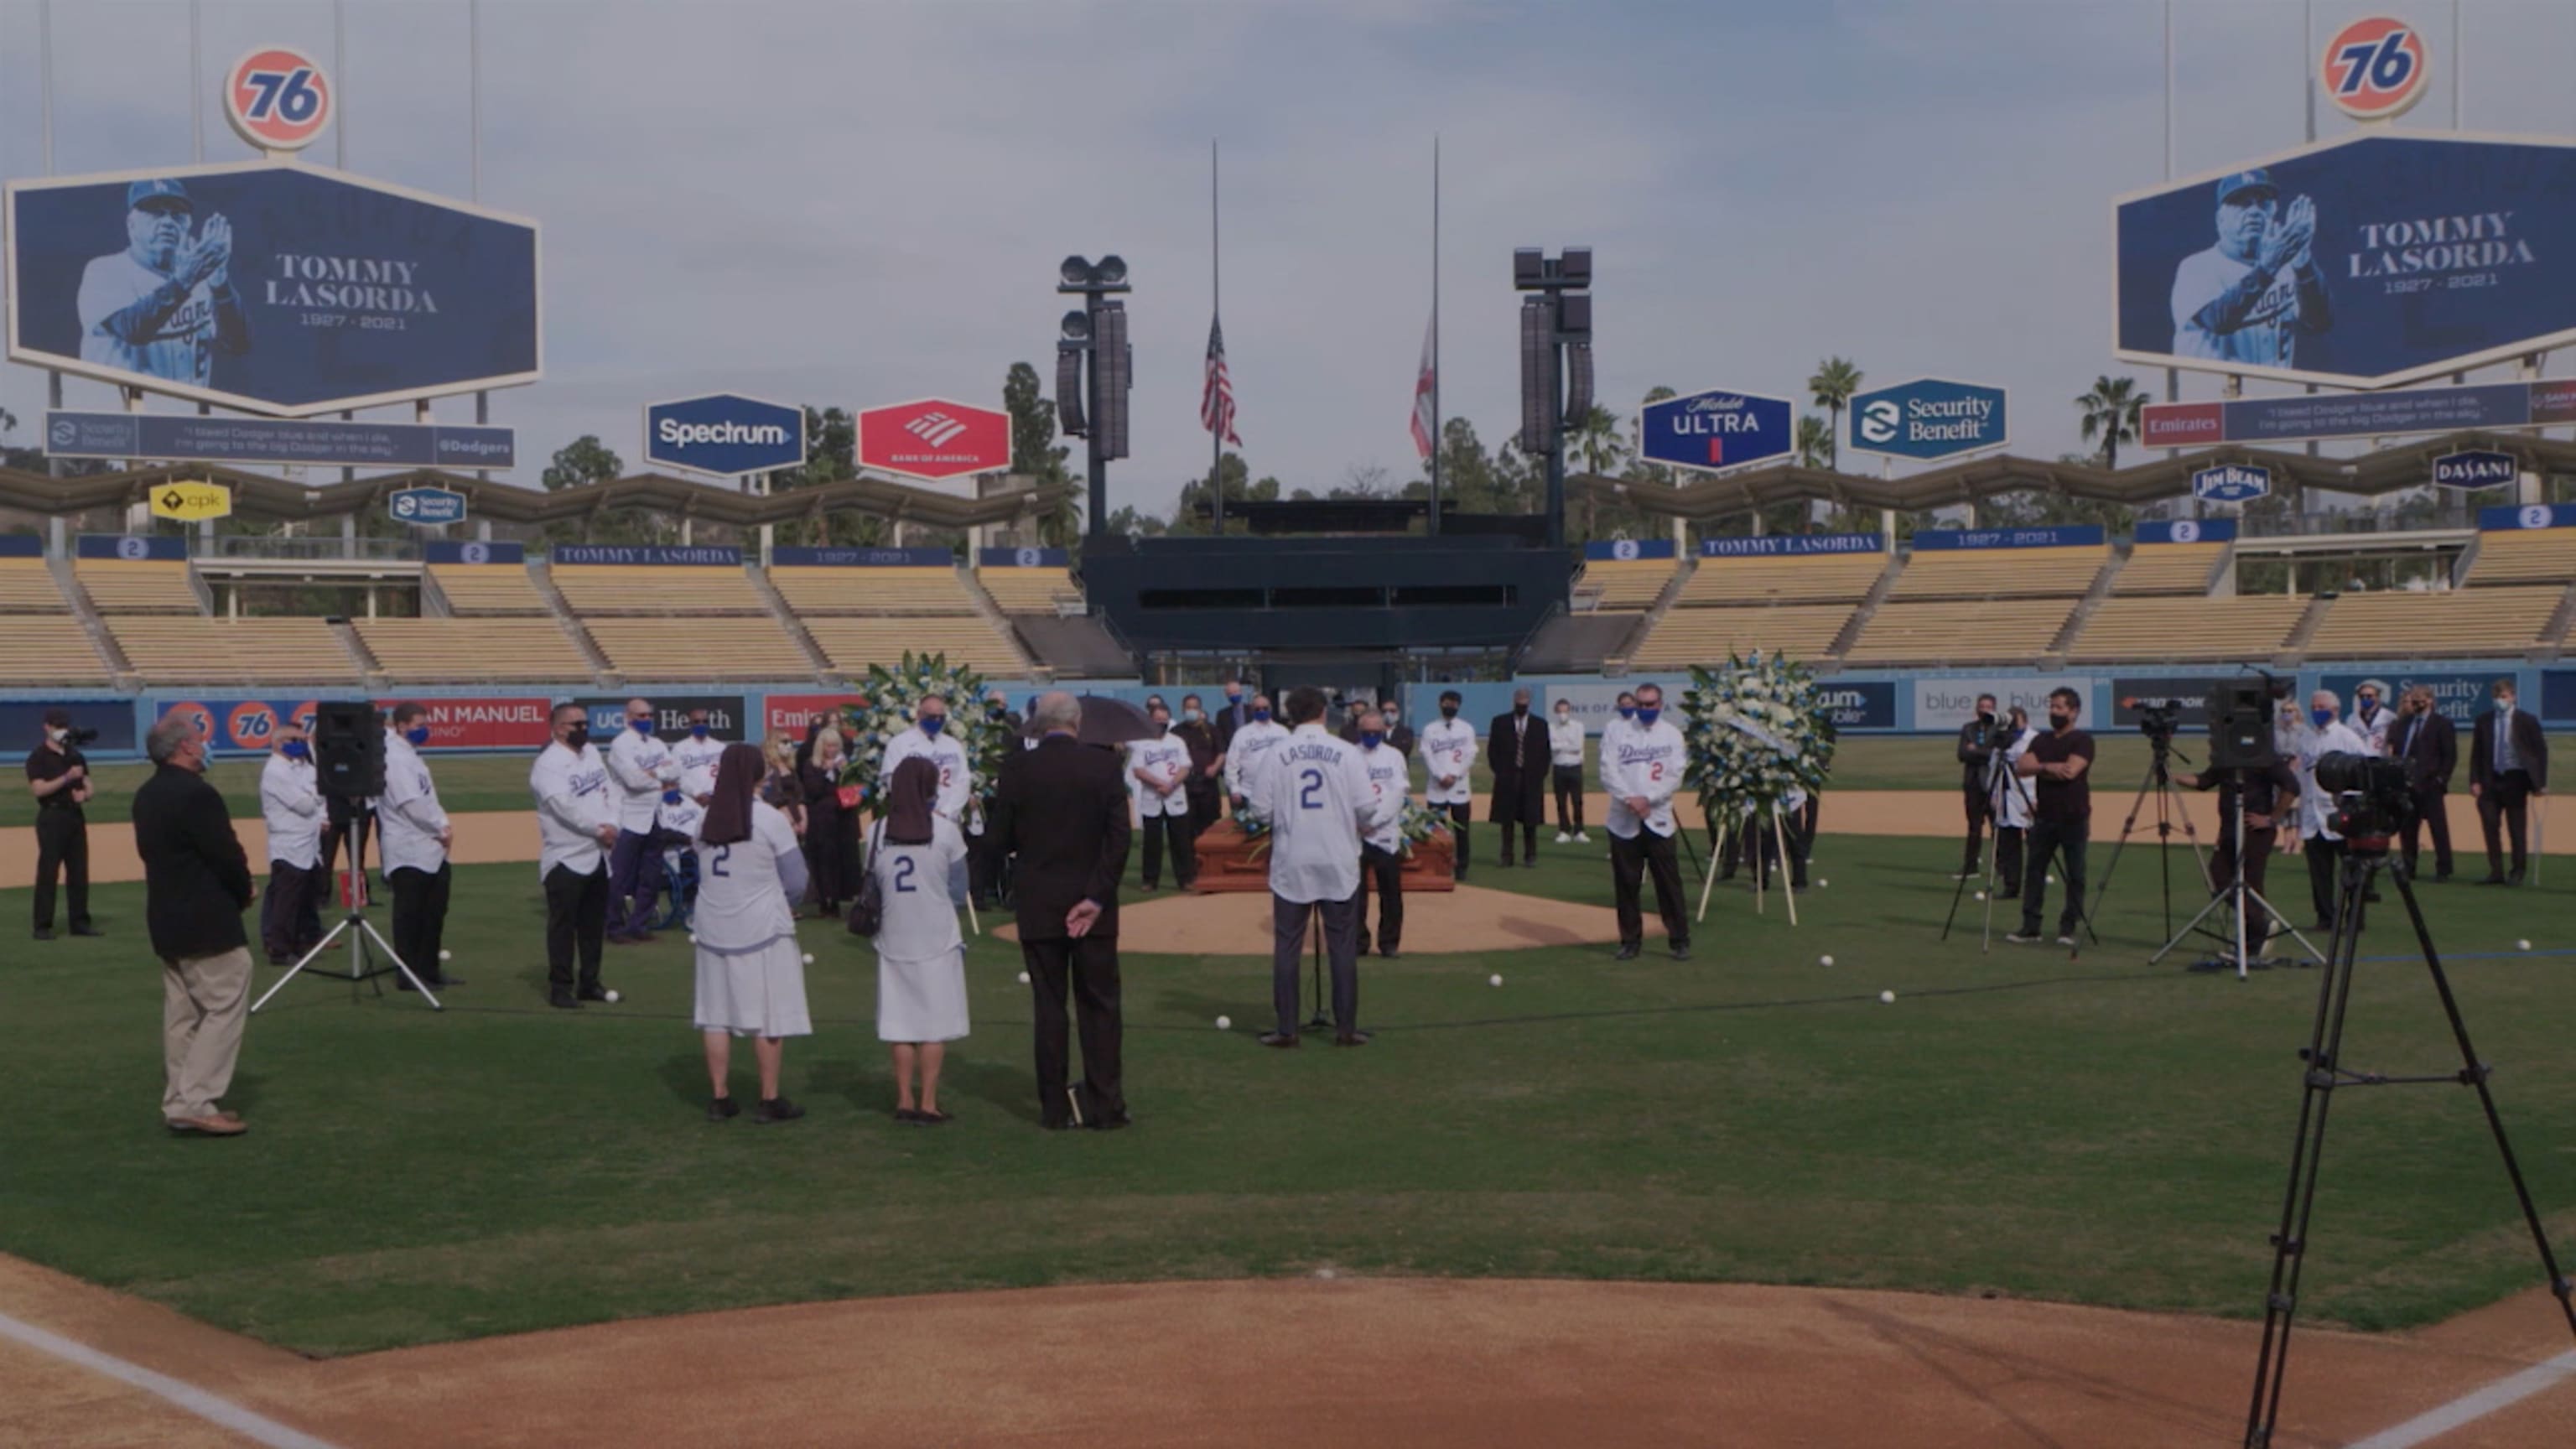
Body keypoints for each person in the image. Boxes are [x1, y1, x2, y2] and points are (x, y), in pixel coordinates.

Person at [988, 692, 1132, 1130]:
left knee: (1049, 1006)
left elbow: (998, 840)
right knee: (1100, 1006)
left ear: (1037, 724)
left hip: (1040, 901)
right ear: (1078, 722)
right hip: (1093, 905)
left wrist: (1028, 855)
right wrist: (1096, 897)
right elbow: (1119, 838)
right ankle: (1106, 1106)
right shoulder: (1105, 766)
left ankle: (1054, 1109)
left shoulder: (1016, 769)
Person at [132, 712, 256, 1136]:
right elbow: (225, 853)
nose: (204, 745)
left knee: (182, 1013)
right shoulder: (197, 794)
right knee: (224, 1002)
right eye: (199, 739)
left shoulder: (146, 794)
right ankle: (198, 1099)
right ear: (184, 746)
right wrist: (244, 892)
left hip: (166, 916)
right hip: (205, 916)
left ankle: (180, 1099)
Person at [1248, 688, 1392, 1047]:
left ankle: (1287, 1029)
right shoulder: (1346, 752)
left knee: (1288, 946)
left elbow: (1259, 810)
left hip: (1292, 858)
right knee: (1342, 945)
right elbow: (1367, 808)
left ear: (1290, 715)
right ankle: (1345, 1028)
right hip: (1338, 858)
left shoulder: (1276, 752)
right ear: (1324, 713)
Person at [690, 742, 810, 1124]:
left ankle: (719, 1097)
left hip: (713, 925)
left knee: (715, 1015)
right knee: (768, 1015)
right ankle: (769, 1098)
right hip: (761, 926)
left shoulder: (705, 817)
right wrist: (785, 902)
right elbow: (797, 880)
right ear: (759, 774)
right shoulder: (770, 819)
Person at [870, 756, 970, 1124]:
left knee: (900, 1024)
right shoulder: (945, 832)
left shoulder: (878, 831)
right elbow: (959, 890)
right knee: (933, 1026)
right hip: (937, 937)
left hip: (893, 936)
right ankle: (928, 1103)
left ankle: (903, 1100)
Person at [78, 179, 249, 387]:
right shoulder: (105, 270)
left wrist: (220, 282)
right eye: (155, 213)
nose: (168, 222)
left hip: (186, 413)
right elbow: (133, 329)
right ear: (131, 224)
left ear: (188, 224)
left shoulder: (199, 275)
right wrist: (185, 281)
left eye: (177, 214)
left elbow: (237, 344)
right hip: (118, 411)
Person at [2168, 169, 2330, 367]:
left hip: (2272, 392)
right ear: (2220, 220)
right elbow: (2219, 321)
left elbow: (2319, 323)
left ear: (2273, 211)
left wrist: (2303, 263)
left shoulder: (2286, 265)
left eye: (2263, 203)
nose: (2254, 211)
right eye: (2241, 203)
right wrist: (2270, 266)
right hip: (2208, 392)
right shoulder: (2196, 267)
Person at [531, 702, 620, 1010]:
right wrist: (599, 829)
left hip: (597, 855)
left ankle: (590, 982)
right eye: (575, 725)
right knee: (563, 927)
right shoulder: (549, 764)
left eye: (585, 724)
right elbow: (563, 807)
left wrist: (613, 824)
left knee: (593, 926)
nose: (583, 729)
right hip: (565, 856)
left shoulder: (592, 754)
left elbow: (610, 791)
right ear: (557, 728)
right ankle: (560, 987)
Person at [2174, 755, 2301, 955]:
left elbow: (2292, 787)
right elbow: (2204, 781)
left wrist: (2272, 819)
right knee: (2218, 877)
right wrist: (2173, 777)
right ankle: (2258, 928)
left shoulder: (2264, 758)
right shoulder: (2226, 759)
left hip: (2255, 831)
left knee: (2251, 884)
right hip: (2229, 831)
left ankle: (2253, 938)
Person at [1601, 683, 1689, 961]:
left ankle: (1679, 939)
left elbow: (1675, 775)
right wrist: (1630, 799)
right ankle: (1630, 940)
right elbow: (1607, 770)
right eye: (1641, 704)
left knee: (1668, 883)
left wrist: (1647, 799)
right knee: (1627, 884)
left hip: (1658, 818)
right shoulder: (1618, 732)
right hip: (1623, 819)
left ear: (1660, 705)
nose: (1645, 709)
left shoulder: (1672, 735)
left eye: (1650, 704)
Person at [2007, 688, 2096, 947]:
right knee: (2034, 872)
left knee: (2075, 874)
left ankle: (2068, 927)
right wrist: (2048, 767)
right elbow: (2022, 768)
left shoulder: (2082, 741)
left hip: (2073, 816)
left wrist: (2042, 768)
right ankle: (2030, 925)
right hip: (2044, 816)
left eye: (2059, 707)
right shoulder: (2041, 741)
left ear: (2073, 711)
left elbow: (2070, 771)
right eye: (2052, 707)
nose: (2054, 712)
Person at [378, 703, 458, 989]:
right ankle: (409, 974)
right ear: (400, 725)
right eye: (418, 724)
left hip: (430, 847)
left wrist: (441, 827)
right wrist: (439, 828)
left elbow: (427, 798)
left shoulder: (410, 755)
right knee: (410, 915)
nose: (424, 729)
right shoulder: (395, 757)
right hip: (409, 846)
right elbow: (410, 803)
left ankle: (429, 969)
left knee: (434, 912)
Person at [2288, 689, 2371, 930]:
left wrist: (2349, 801)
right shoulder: (2307, 739)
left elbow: (2363, 772)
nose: (2317, 711)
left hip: (2340, 814)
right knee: (2319, 873)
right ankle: (2325, 917)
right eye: (2313, 707)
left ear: (2335, 710)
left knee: (2352, 870)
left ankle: (2354, 918)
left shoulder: (2348, 737)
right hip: (2313, 816)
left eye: (2321, 707)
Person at [605, 699, 677, 943]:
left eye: (649, 715)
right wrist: (662, 776)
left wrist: (653, 774)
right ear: (628, 717)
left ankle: (639, 923)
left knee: (651, 874)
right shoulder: (621, 744)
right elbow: (633, 782)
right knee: (618, 875)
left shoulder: (657, 743)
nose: (646, 720)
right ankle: (613, 926)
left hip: (655, 815)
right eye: (641, 716)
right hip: (629, 816)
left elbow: (677, 771)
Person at [27, 707, 99, 941]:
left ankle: (79, 922)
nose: (61, 730)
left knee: (79, 870)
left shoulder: (75, 755)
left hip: (74, 816)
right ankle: (42, 925)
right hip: (52, 816)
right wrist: (66, 778)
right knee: (48, 871)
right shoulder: (38, 757)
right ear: (46, 727)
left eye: (64, 726)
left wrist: (85, 795)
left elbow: (89, 784)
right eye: (57, 726)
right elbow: (38, 789)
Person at [256, 724, 324, 966]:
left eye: (303, 739)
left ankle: (296, 943)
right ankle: (280, 949)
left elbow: (313, 795)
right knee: (286, 899)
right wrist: (316, 796)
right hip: (288, 842)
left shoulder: (297, 767)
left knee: (301, 898)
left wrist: (314, 797)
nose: (301, 744)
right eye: (294, 739)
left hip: (305, 841)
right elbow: (304, 804)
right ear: (277, 742)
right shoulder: (276, 770)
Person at [2470, 678, 2548, 887]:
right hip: (2490, 778)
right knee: (2490, 825)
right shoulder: (2484, 721)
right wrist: (2475, 780)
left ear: (2513, 697)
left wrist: (2540, 782)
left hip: (2515, 778)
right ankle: (2496, 871)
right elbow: (2476, 753)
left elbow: (2539, 752)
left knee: (2516, 828)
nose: (2499, 701)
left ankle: (2518, 870)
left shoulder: (2526, 720)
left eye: (2503, 697)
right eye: (2496, 697)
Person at [1353, 708, 1410, 959]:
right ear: (1359, 731)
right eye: (1367, 732)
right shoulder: (1350, 755)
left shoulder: (1394, 756)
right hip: (1355, 834)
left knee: (1391, 894)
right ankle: (1357, 942)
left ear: (1384, 731)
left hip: (1385, 834)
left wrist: (1374, 820)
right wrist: (1359, 821)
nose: (1371, 736)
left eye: (1376, 732)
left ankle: (1389, 943)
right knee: (1355, 894)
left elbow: (1398, 794)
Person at [1126, 702, 1195, 891]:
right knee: (1152, 842)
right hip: (1153, 797)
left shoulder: (1176, 741)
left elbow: (1185, 767)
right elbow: (1138, 770)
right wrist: (1159, 784)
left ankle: (1185, 879)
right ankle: (1150, 880)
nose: (1161, 724)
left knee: (1180, 841)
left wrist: (1171, 784)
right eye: (1158, 721)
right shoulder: (1142, 743)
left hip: (1176, 795)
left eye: (1164, 721)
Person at [2392, 686, 2458, 882]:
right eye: (2413, 700)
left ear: (2429, 700)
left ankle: (2444, 868)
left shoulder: (2441, 724)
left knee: (2438, 828)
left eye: (2419, 700)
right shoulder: (2404, 724)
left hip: (2430, 784)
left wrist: (2441, 779)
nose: (2415, 704)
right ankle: (2409, 866)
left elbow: (2449, 755)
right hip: (2407, 783)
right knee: (2408, 829)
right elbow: (2398, 751)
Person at [799, 725, 861, 917]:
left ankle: (841, 899)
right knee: (824, 862)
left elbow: (855, 789)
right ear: (821, 746)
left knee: (844, 861)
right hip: (822, 822)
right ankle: (825, 902)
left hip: (844, 820)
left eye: (835, 746)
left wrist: (844, 775)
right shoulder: (812, 765)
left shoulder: (847, 765)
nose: (832, 750)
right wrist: (828, 775)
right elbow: (813, 791)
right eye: (828, 746)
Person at [882, 694, 972, 824]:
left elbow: (963, 781)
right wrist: (920, 811)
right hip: (913, 820)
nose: (936, 721)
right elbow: (893, 782)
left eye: (941, 717)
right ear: (919, 715)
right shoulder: (899, 744)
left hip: (948, 819)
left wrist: (947, 812)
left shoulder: (954, 745)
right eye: (931, 717)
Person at [1487, 688, 1550, 868]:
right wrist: (1500, 771)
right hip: (1507, 777)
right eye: (1519, 701)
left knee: (1530, 819)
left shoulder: (1540, 724)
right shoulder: (1500, 722)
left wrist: (1539, 774)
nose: (1521, 704)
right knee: (1507, 819)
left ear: (1529, 702)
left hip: (1531, 778)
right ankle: (1506, 856)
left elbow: (1545, 753)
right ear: (1514, 701)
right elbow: (1493, 751)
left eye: (1525, 702)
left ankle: (1530, 855)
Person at [1419, 690, 1478, 880]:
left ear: (1459, 706)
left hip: (1459, 786)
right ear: (1440, 704)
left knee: (1462, 830)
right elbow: (1427, 755)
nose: (1450, 706)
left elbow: (1470, 755)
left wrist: (1454, 774)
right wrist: (1440, 775)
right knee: (1437, 830)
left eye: (1453, 703)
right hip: (1437, 787)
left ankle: (1462, 867)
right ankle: (1438, 865)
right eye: (1446, 703)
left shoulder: (1466, 729)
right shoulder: (1430, 729)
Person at [1986, 705, 2038, 899]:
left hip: (2029, 796)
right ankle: (2011, 885)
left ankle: (2034, 886)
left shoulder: (2034, 739)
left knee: (2035, 845)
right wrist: (1992, 796)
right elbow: (1993, 767)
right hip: (2005, 797)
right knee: (2009, 845)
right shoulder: (2002, 742)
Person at [1954, 694, 1999, 878]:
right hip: (1973, 783)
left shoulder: (1999, 730)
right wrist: (1981, 753)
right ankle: (1970, 866)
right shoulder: (1968, 728)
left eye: (1988, 706)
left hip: (1992, 783)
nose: (1984, 709)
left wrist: (1977, 751)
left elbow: (1996, 754)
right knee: (1974, 827)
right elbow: (1962, 754)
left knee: (1998, 827)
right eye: (1981, 706)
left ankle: (2002, 866)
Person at [1174, 693, 1224, 852]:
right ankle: (1190, 864)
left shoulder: (1211, 730)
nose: (1192, 710)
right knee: (1188, 827)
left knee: (1209, 825)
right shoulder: (1176, 732)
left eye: (1195, 708)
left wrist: (1215, 767)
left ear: (1200, 709)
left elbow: (1222, 753)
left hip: (1208, 785)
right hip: (1186, 786)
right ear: (1183, 709)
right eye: (1188, 708)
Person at [1220, 693, 1288, 812]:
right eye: (1257, 709)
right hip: (1249, 792)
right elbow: (1231, 763)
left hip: (1278, 793)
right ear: (1252, 711)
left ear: (1270, 709)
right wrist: (1234, 788)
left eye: (1265, 708)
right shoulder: (1242, 733)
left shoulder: (1282, 732)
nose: (1261, 711)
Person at [1548, 699, 1587, 844]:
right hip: (1559, 767)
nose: (1562, 714)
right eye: (1559, 711)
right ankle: (1564, 830)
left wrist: (1561, 745)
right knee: (1561, 801)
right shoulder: (1551, 727)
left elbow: (1578, 746)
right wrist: (1567, 745)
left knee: (1577, 801)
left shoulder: (1578, 726)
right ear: (1555, 712)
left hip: (1575, 766)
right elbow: (1551, 746)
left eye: (1565, 711)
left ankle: (1579, 830)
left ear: (1569, 712)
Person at [672, 706, 727, 797]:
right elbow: (678, 776)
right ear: (690, 724)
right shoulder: (679, 748)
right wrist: (696, 793)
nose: (701, 724)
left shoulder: (720, 747)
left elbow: (727, 775)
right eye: (697, 722)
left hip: (717, 797)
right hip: (692, 798)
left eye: (705, 721)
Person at [761, 737, 808, 836]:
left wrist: (803, 820)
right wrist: (791, 823)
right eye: (785, 742)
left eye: (790, 742)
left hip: (797, 818)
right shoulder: (770, 769)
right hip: (781, 819)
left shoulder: (791, 768)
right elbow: (776, 798)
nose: (789, 746)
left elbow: (800, 796)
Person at [2348, 681, 2393, 756]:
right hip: (2359, 761)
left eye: (2369, 696)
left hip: (2381, 760)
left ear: (2378, 697)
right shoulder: (2351, 719)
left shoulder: (2389, 717)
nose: (2365, 698)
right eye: (2362, 696)